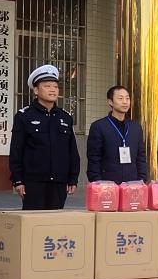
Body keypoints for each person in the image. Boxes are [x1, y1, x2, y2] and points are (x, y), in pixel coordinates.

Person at [9, 64, 79, 210]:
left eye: (55, 86)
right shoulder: (24, 116)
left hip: (59, 182)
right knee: (33, 220)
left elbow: (72, 151)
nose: (52, 90)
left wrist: (73, 178)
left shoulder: (65, 117)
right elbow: (16, 150)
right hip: (33, 181)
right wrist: (18, 180)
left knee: (55, 221)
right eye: (47, 86)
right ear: (36, 90)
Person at [87, 84, 149, 184]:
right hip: (107, 184)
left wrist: (142, 178)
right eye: (120, 98)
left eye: (127, 98)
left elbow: (141, 156)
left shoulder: (135, 127)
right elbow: (94, 158)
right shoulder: (99, 126)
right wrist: (97, 181)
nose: (125, 102)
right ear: (110, 102)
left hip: (132, 183)